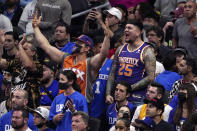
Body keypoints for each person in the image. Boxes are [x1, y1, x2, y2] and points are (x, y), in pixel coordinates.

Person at [33, 12, 111, 103]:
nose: (75, 45)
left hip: (80, 104)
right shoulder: (66, 58)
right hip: (63, 102)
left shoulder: (90, 63)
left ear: (86, 48)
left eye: (79, 43)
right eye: (75, 42)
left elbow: (103, 54)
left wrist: (107, 36)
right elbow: (45, 45)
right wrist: (35, 28)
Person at [106, 19, 156, 106]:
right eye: (125, 28)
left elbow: (151, 77)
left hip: (136, 98)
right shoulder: (120, 49)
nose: (126, 30)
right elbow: (112, 73)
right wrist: (108, 93)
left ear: (138, 32)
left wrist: (128, 89)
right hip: (118, 96)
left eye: (129, 28)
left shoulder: (147, 51)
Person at [0, 33, 43, 109]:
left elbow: (28, 65)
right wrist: (1, 43)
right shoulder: (16, 64)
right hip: (13, 108)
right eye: (21, 49)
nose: (21, 51)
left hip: (30, 108)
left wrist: (20, 45)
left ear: (33, 52)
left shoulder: (38, 65)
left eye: (25, 49)